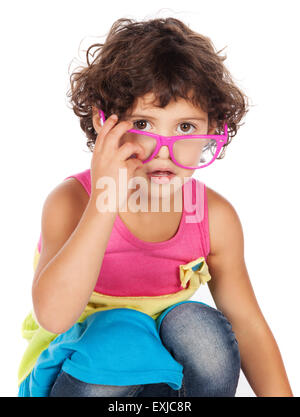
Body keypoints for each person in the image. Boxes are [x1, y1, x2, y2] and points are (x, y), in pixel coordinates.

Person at [18, 17, 293, 397]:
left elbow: (246, 323)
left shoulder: (213, 217)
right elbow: (54, 315)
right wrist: (104, 201)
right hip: (78, 373)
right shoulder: (71, 202)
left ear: (213, 127)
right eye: (144, 122)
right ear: (104, 123)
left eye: (185, 128)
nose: (165, 150)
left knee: (199, 327)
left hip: (160, 386)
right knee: (119, 333)